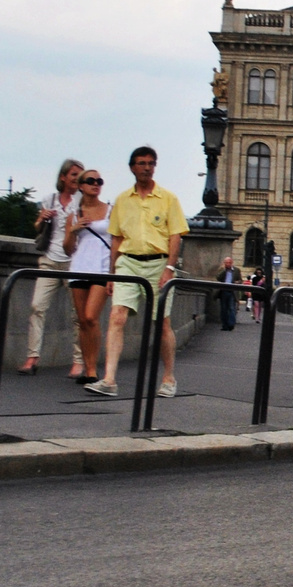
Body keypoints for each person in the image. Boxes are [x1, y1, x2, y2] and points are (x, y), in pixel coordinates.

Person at [86, 147, 189, 398]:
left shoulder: (168, 198)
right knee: (116, 317)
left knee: (161, 322)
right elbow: (116, 239)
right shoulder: (122, 200)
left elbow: (176, 236)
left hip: (158, 263)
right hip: (128, 263)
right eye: (141, 163)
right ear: (132, 167)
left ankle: (169, 378)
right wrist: (111, 274)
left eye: (151, 164)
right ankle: (109, 379)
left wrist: (169, 268)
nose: (146, 168)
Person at [21, 158, 85, 377]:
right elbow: (38, 229)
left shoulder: (83, 201)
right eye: (74, 174)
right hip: (49, 260)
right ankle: (32, 357)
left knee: (77, 314)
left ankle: (78, 361)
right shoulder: (50, 199)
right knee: (37, 307)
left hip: (73, 261)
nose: (78, 179)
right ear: (63, 177)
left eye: (80, 175)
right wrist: (42, 218)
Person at [64, 169, 111, 385]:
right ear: (81, 186)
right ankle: (88, 367)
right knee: (82, 320)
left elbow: (117, 241)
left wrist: (114, 272)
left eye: (99, 181)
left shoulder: (110, 211)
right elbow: (67, 249)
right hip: (79, 267)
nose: (96, 184)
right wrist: (73, 230)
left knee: (92, 317)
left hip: (102, 269)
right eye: (90, 181)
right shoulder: (74, 214)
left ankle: (92, 370)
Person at [216, 256, 243, 330]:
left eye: (229, 263)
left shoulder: (236, 270)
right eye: (226, 263)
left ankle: (231, 324)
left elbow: (241, 280)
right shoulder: (222, 269)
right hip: (223, 291)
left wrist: (237, 282)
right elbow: (218, 278)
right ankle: (225, 325)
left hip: (232, 291)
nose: (228, 264)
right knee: (224, 309)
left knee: (232, 308)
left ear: (232, 263)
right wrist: (225, 270)